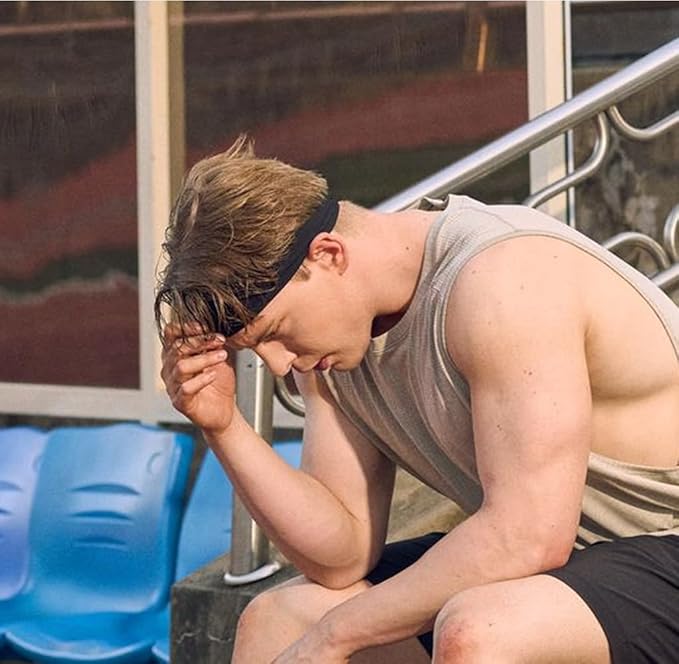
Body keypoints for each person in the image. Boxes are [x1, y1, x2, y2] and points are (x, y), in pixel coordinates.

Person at [155, 136, 679, 663]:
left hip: (663, 542)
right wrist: (224, 427)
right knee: (279, 620)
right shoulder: (332, 347)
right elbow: (343, 556)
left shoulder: (502, 279)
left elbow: (528, 537)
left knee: (480, 630)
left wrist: (334, 637)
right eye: (254, 349)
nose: (277, 364)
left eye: (277, 332)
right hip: (578, 568)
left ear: (328, 254)